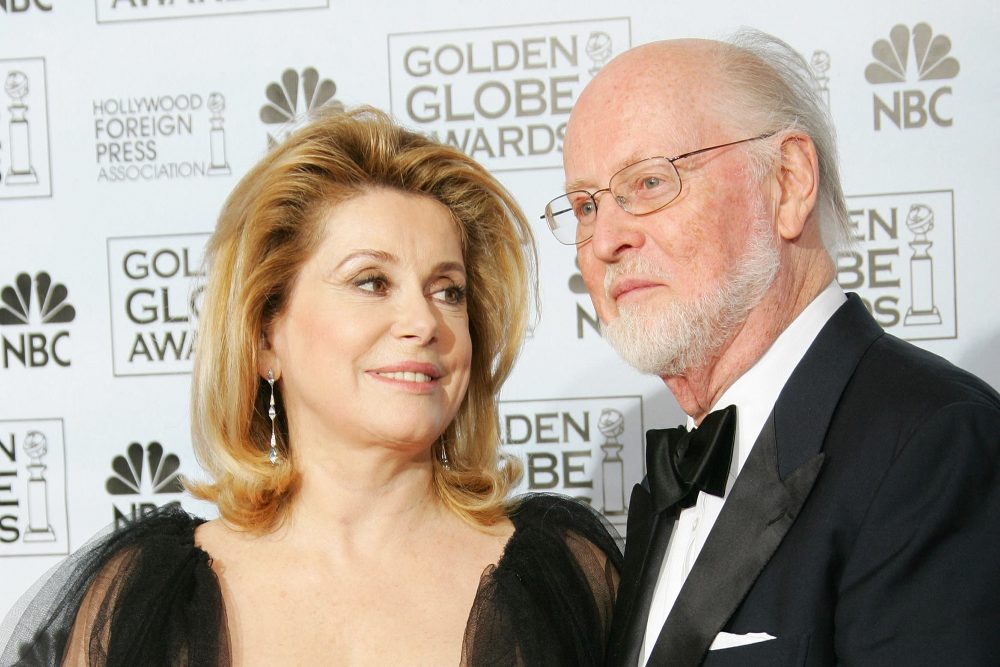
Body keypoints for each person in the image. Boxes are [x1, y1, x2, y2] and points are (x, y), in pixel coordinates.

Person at [2, 107, 622, 666]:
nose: (423, 322)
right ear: (266, 335)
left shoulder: (563, 579)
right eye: (372, 281)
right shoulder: (145, 596)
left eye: (448, 291)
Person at [544, 29, 1000, 666]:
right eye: (585, 206)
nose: (604, 240)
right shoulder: (677, 473)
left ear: (787, 182)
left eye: (647, 183)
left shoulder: (934, 446)